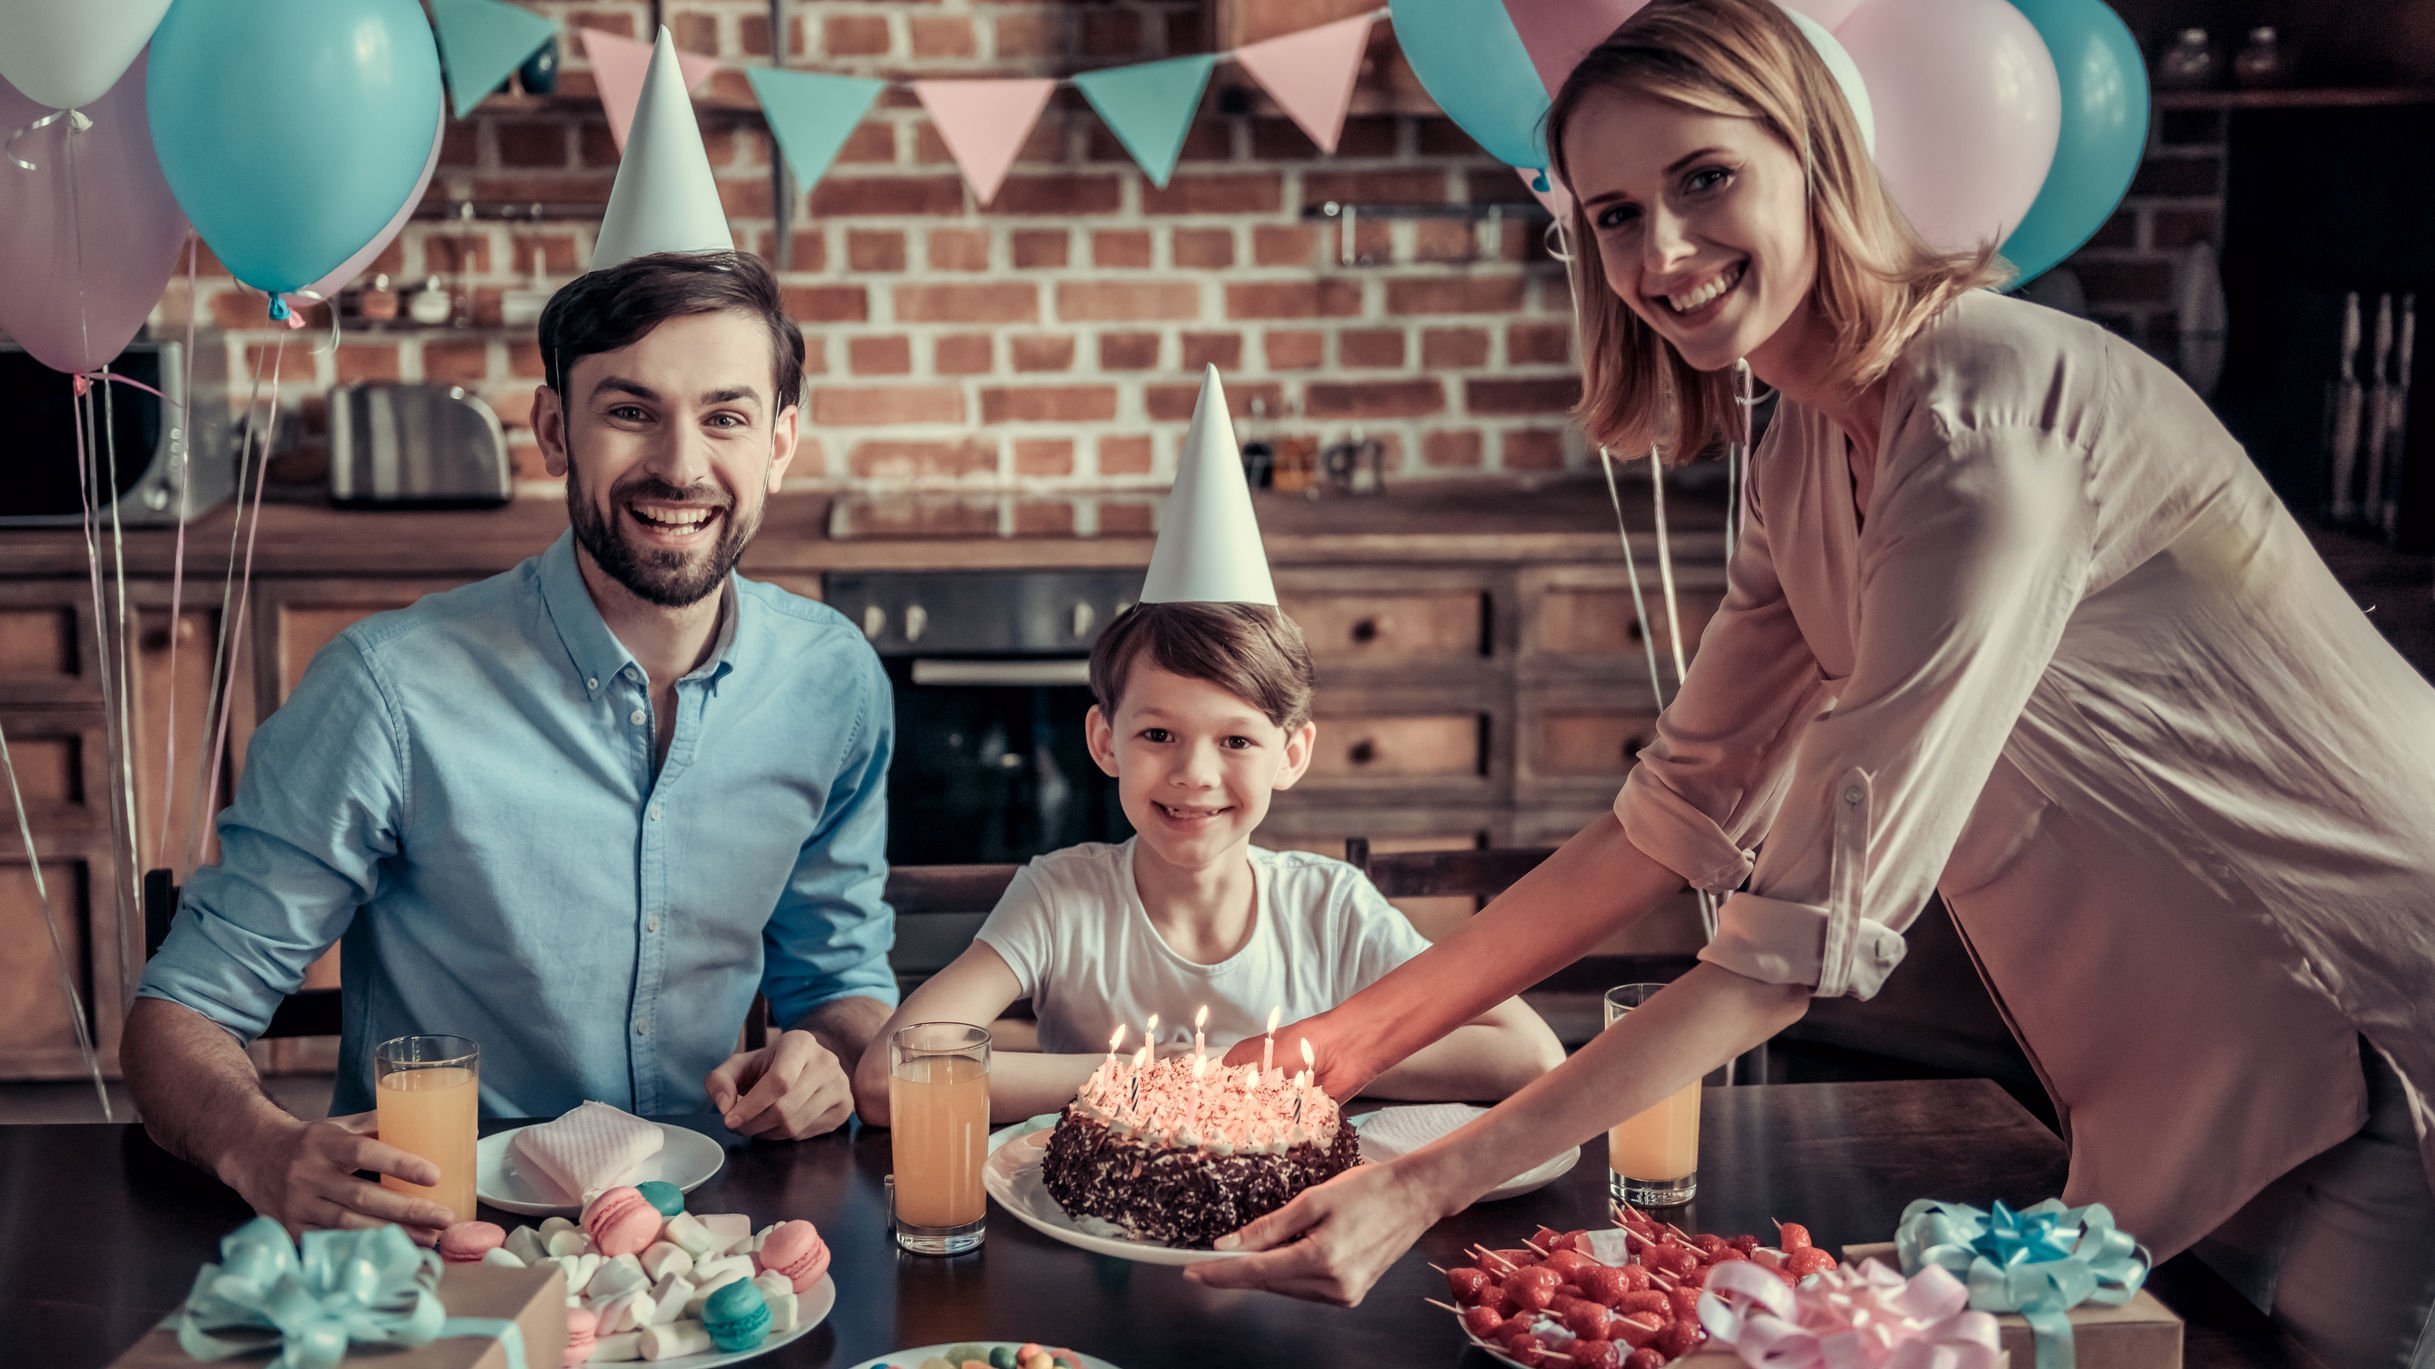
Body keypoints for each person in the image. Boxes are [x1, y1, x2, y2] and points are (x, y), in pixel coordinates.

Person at [1188, 3, 2435, 1364]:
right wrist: (1339, 1049)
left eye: (1702, 179)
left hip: (2370, 1028)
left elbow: (1792, 949)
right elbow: (1667, 819)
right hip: (2196, 1065)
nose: (1658, 252)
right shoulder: (1799, 450)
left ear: (1816, 160)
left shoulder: (1976, 429)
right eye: (1610, 214)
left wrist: (1426, 1183)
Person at [125, 250, 898, 1242]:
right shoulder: (387, 690)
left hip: (720, 1239)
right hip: (448, 1235)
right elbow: (178, 1015)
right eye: (629, 411)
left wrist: (827, 1055)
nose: (680, 463)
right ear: (551, 432)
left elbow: (840, 983)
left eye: (724, 416)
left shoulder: (831, 680)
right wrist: (261, 1148)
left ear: (779, 445)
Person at [853, 371, 1562, 1125]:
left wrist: (1305, 1055)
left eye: (1235, 739)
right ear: (1104, 740)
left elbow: (1530, 1055)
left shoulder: (1328, 908)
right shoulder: (1063, 898)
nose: (1194, 773)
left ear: (1291, 753)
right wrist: (1175, 1076)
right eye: (1158, 734)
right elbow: (887, 1077)